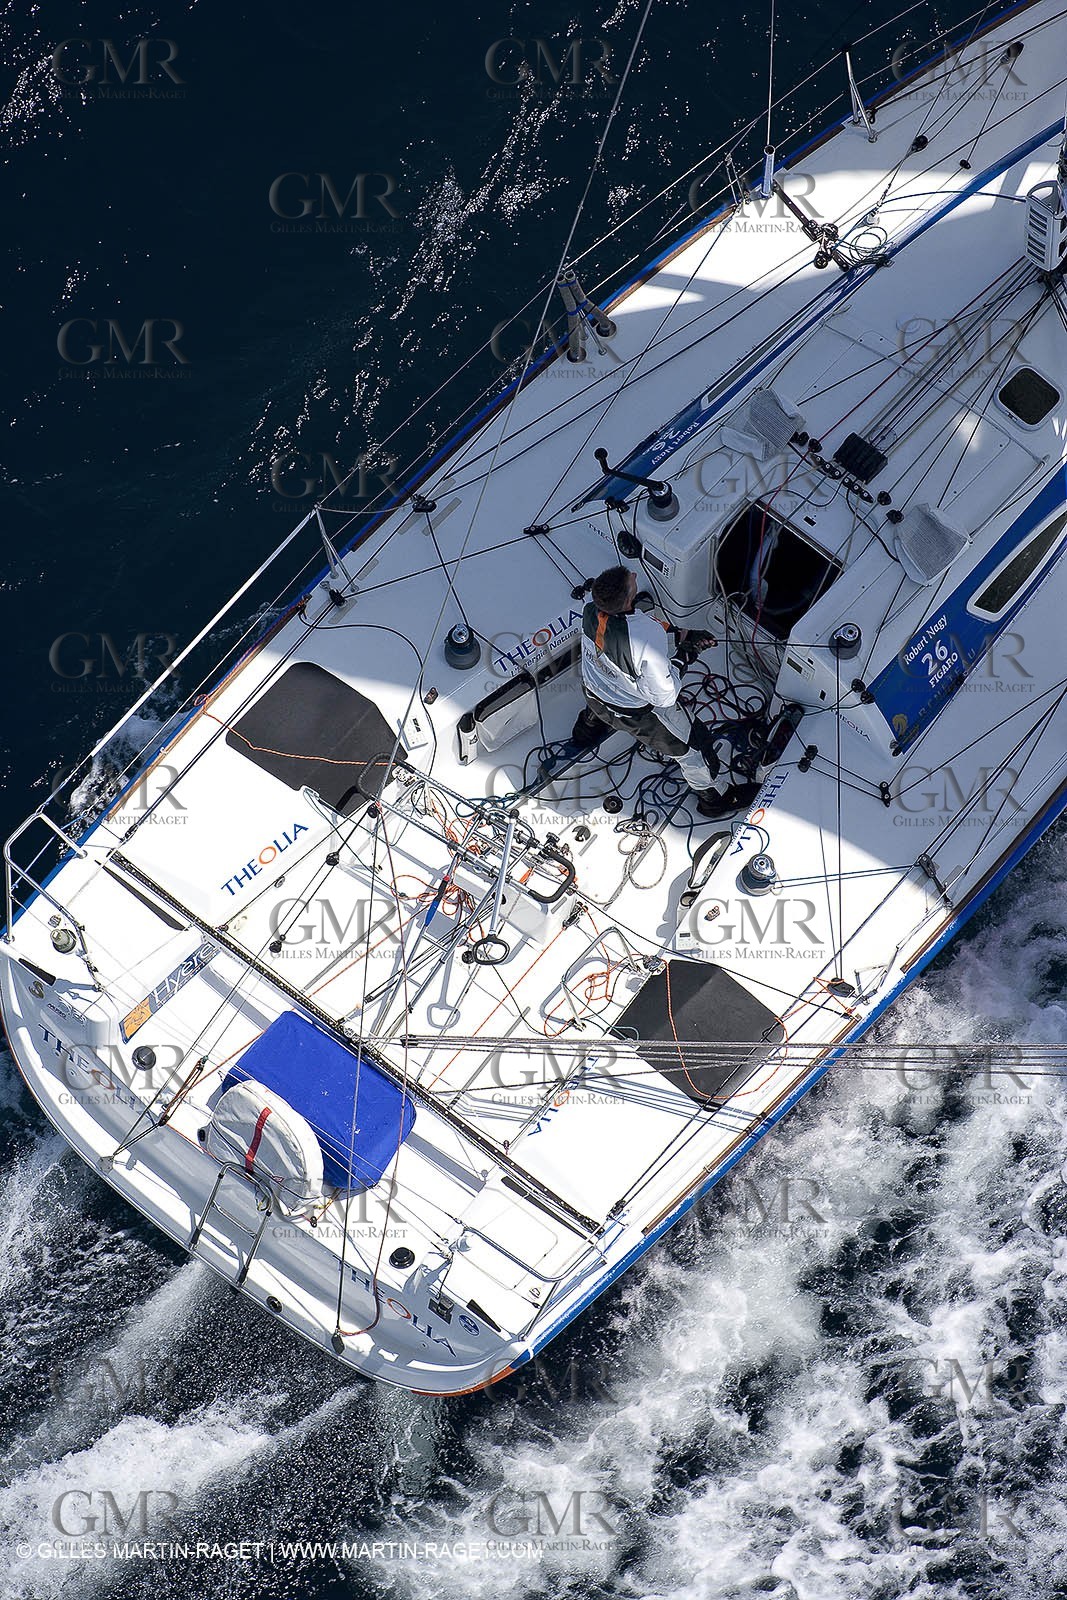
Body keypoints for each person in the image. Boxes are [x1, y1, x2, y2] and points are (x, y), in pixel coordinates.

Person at [579, 564, 760, 818]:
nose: (634, 576)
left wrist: (685, 635)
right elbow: (665, 695)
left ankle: (585, 733)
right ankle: (715, 799)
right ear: (628, 598)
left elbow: (639, 631)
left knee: (601, 698)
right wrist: (687, 654)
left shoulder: (590, 610)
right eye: (631, 581)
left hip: (594, 695)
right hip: (637, 715)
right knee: (695, 748)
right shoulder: (644, 637)